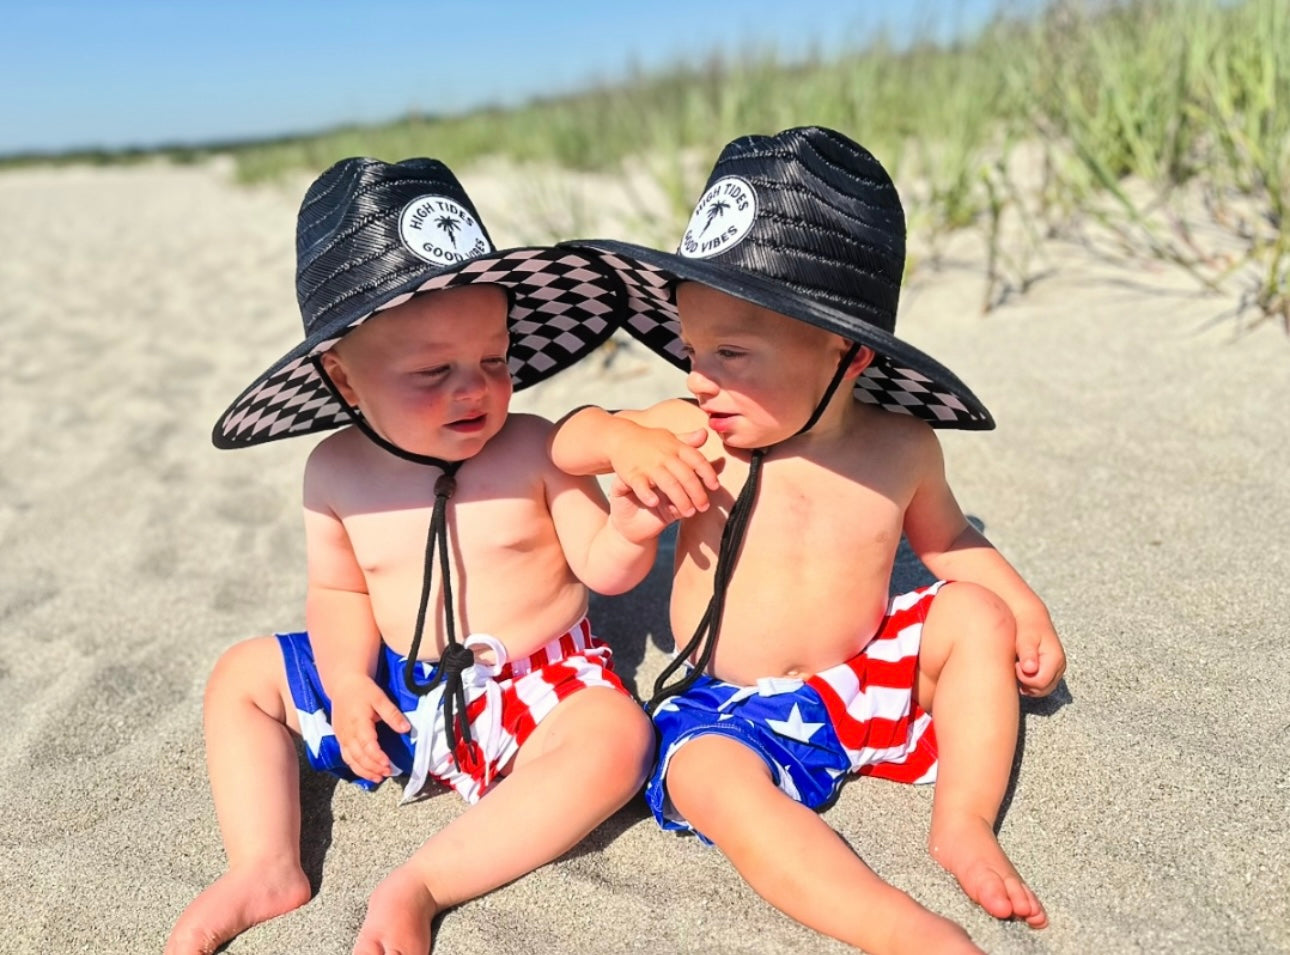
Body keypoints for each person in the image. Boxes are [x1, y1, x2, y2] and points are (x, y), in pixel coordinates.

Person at [550, 127, 1066, 954]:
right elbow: (566, 440)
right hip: (732, 706)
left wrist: (1020, 604)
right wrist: (620, 437)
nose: (696, 376)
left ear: (847, 351)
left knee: (973, 614)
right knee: (708, 779)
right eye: (691, 349)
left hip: (862, 679)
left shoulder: (899, 449)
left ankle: (962, 823)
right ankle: (894, 925)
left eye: (732, 353)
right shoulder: (695, 431)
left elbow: (951, 538)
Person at [166, 157, 659, 955]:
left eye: (494, 361)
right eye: (434, 371)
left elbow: (603, 569)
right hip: (403, 685)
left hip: (538, 686)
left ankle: (422, 883)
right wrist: (348, 679)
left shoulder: (533, 447)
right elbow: (338, 590)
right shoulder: (335, 470)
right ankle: (264, 863)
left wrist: (633, 528)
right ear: (344, 377)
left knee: (617, 735)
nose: (476, 388)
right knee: (240, 677)